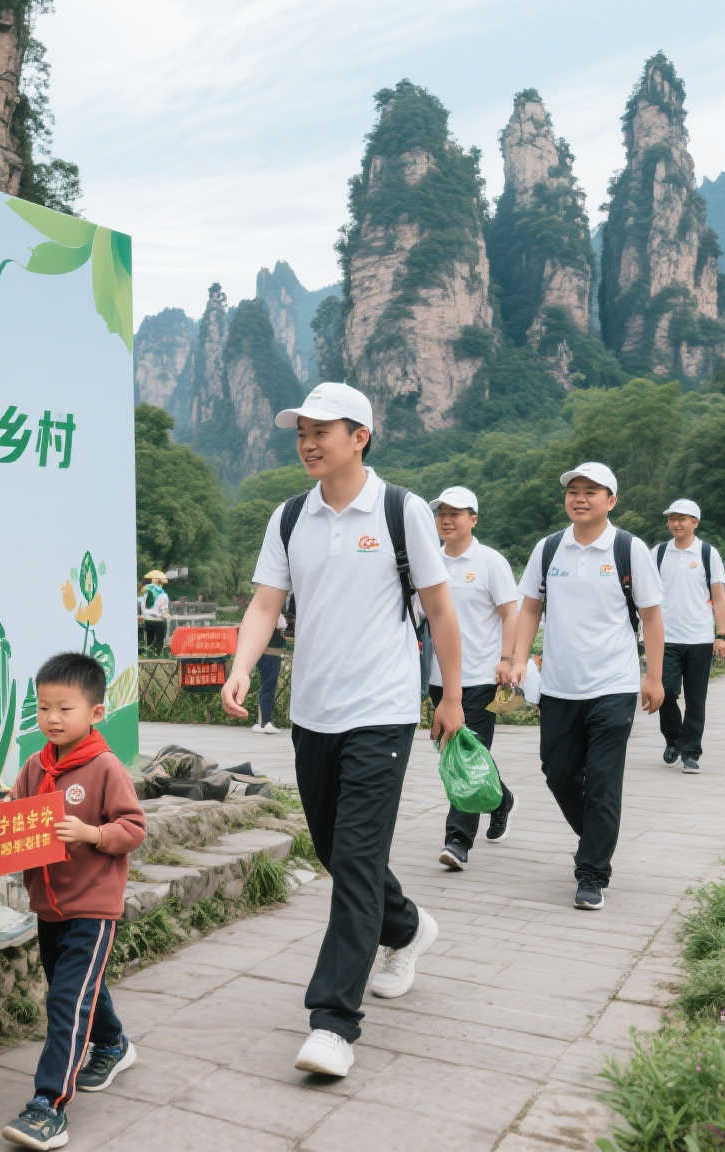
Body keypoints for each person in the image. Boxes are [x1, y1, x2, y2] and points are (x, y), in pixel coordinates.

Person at [218, 380, 465, 1080]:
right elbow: (267, 603)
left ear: (360, 436)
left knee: (355, 859)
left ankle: (332, 1021)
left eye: (322, 430)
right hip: (314, 712)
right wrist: (241, 668)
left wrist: (450, 695)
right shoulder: (290, 516)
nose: (307, 442)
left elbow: (441, 612)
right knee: (333, 848)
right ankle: (408, 927)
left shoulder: (400, 510)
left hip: (383, 709)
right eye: (301, 431)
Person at [0, 654, 147, 1151]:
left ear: (96, 713)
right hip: (48, 906)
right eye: (43, 708)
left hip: (92, 907)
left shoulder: (105, 767)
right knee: (78, 986)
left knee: (66, 999)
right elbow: (16, 813)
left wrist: (91, 833)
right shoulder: (35, 764)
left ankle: (48, 1106)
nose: (53, 718)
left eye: (65, 707)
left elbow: (133, 828)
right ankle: (111, 1043)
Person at [504, 462, 665, 913]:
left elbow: (651, 616)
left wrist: (652, 677)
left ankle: (592, 871)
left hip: (612, 685)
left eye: (591, 491)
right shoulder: (550, 548)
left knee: (602, 784)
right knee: (557, 772)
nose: (580, 497)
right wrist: (518, 659)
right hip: (558, 686)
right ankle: (598, 836)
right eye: (573, 490)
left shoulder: (629, 550)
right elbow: (530, 606)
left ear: (610, 500)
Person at [426, 485, 519, 869]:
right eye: (442, 512)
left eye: (456, 513)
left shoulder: (490, 562)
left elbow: (511, 612)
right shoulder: (429, 560)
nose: (447, 519)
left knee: (465, 755)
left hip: (480, 676)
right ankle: (502, 798)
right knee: (460, 752)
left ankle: (458, 839)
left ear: (473, 519)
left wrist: (507, 658)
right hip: (438, 677)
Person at [653, 499, 725, 775]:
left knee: (696, 699)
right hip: (666, 637)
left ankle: (691, 752)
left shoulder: (708, 553)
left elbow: (719, 596)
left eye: (682, 519)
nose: (676, 523)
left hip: (699, 637)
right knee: (666, 693)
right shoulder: (658, 553)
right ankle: (674, 739)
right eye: (672, 518)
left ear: (695, 522)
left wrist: (721, 635)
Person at [254, 612, 287, 734]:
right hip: (270, 655)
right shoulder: (273, 614)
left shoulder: (263, 614)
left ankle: (262, 721)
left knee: (266, 687)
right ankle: (265, 722)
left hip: (267, 654)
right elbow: (281, 624)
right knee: (268, 688)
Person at [138, 571, 170, 653]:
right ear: (160, 584)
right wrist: (167, 615)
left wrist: (141, 615)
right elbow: (163, 610)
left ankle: (148, 654)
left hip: (147, 620)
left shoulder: (143, 592)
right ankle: (157, 654)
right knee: (159, 642)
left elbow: (140, 605)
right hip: (158, 621)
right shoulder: (163, 594)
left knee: (149, 640)